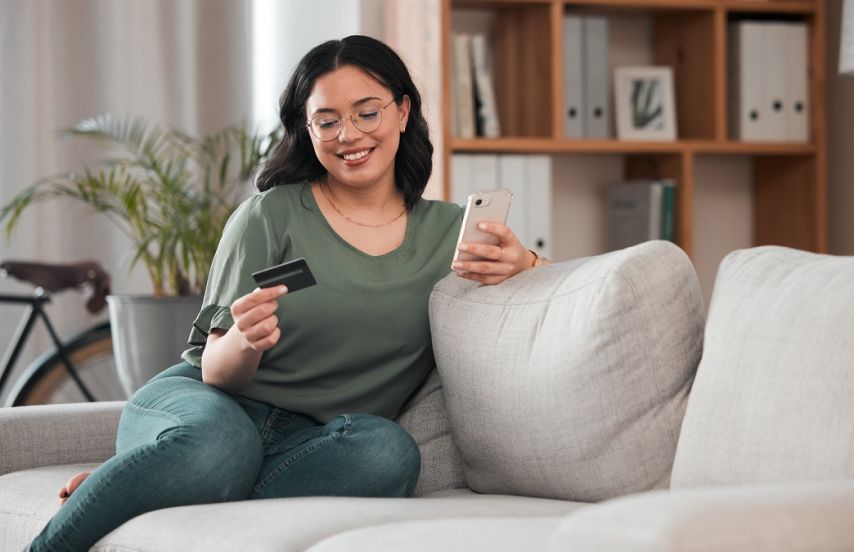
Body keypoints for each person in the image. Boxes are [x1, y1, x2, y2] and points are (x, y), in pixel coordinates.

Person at [30, 35, 546, 551]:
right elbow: (215, 370)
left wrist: (525, 263)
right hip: (208, 405)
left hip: (314, 441)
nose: (349, 135)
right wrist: (247, 341)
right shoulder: (270, 214)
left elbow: (559, 296)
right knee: (218, 445)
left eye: (368, 113)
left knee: (389, 453)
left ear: (404, 110)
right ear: (307, 127)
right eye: (327, 121)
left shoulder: (449, 233)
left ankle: (152, 482)